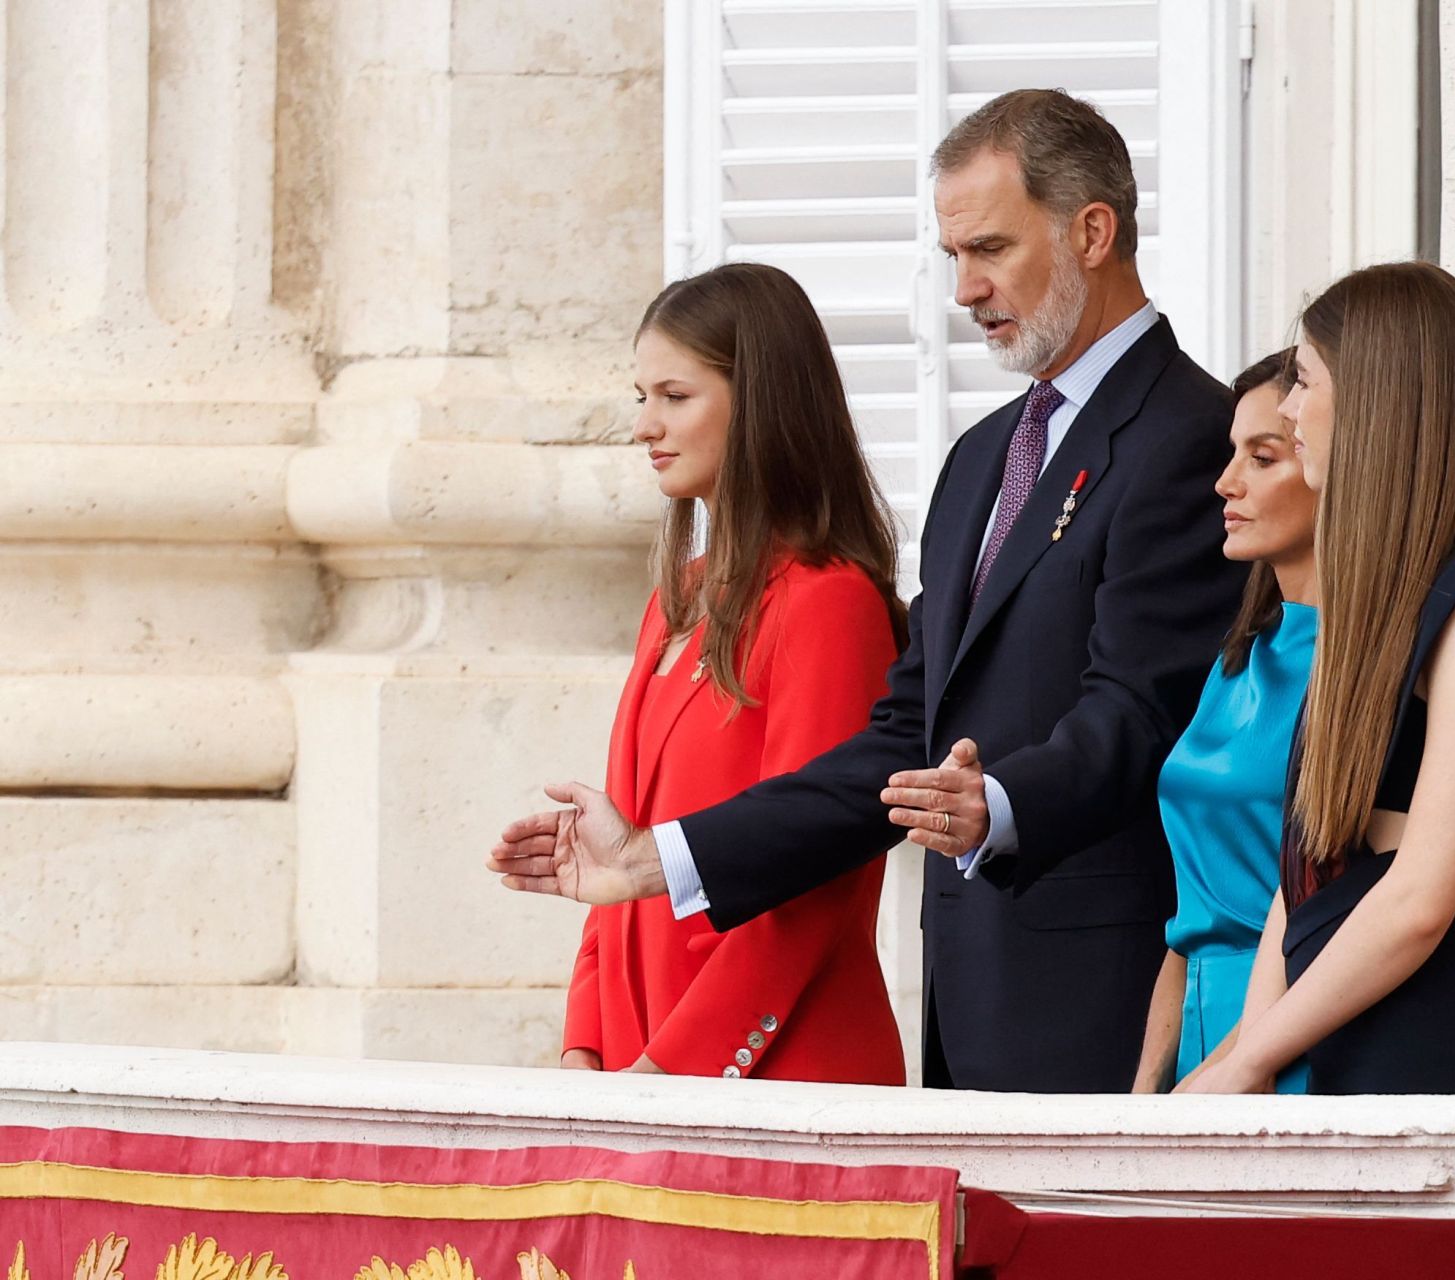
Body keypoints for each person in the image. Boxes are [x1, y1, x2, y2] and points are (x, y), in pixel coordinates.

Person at [491, 89, 1244, 1093]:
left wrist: (1000, 802)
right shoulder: (980, 459)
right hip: (969, 999)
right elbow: (898, 742)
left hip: (1105, 994)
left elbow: (1142, 707)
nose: (966, 288)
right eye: (952, 259)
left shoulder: (1191, 433)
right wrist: (653, 860)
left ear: (1093, 231)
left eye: (989, 249)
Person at [1180, 261, 1455, 1095]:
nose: (1289, 412)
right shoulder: (1381, 596)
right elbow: (1304, 876)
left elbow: (1420, 898)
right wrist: (1230, 1069)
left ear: (1380, 397)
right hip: (1343, 1060)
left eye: (1304, 381)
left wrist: (1251, 1062)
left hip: (1447, 1066)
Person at [552, 261, 907, 1085]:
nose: (645, 425)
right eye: (642, 397)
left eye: (675, 397)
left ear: (761, 403)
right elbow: (626, 847)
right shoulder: (676, 594)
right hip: (637, 1062)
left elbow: (811, 880)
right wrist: (585, 1044)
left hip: (781, 1073)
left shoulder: (830, 602)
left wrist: (676, 1066)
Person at [1132, 349, 1317, 1095]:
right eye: (1230, 454)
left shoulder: (1364, 673)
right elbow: (1188, 921)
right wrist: (1146, 1093)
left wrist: (1238, 1066)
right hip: (1201, 1034)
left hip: (1293, 1037)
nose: (1226, 482)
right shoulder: (1240, 658)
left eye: (1262, 457)